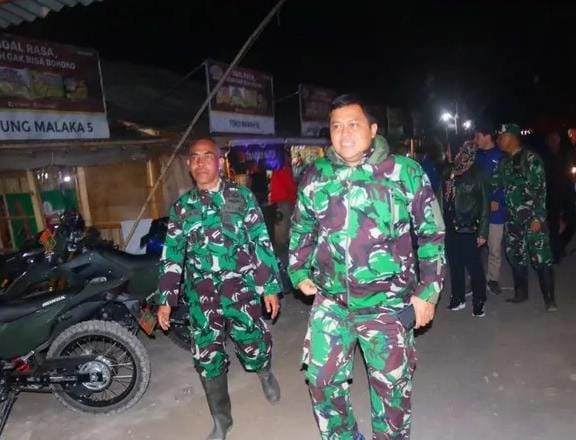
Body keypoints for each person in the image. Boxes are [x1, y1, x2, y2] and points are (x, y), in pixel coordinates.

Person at [288, 94, 446, 440]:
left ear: (373, 129)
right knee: (321, 381)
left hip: (387, 304)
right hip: (332, 302)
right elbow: (302, 227)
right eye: (336, 126)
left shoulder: (404, 172)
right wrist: (298, 270)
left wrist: (428, 291)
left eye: (353, 124)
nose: (344, 133)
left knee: (391, 392)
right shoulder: (316, 175)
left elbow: (432, 234)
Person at [156, 139, 282, 440]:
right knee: (206, 356)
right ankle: (221, 420)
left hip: (241, 289)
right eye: (195, 158)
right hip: (201, 295)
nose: (201, 163)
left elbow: (260, 241)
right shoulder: (182, 208)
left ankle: (264, 372)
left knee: (252, 342)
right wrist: (166, 299)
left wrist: (268, 286)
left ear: (219, 161)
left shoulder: (241, 197)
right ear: (189, 164)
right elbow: (172, 255)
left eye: (207, 157)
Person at [491, 124, 558, 312]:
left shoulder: (530, 158)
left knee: (541, 257)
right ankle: (521, 293)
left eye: (502, 137)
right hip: (513, 218)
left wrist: (538, 217)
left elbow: (540, 189)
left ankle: (550, 300)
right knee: (515, 255)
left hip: (532, 218)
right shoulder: (503, 162)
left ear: (512, 137)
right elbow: (493, 183)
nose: (499, 141)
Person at [442, 141, 490, 317]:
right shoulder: (449, 170)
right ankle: (458, 297)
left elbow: (485, 203)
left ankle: (479, 300)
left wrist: (483, 232)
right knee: (455, 264)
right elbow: (441, 197)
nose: (449, 153)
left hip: (469, 225)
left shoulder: (478, 172)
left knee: (473, 265)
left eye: (451, 150)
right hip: (450, 224)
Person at [474, 123, 506, 294]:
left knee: (494, 248)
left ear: (487, 136)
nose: (475, 140)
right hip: (477, 211)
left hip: (495, 212)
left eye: (477, 136)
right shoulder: (476, 156)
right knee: (475, 248)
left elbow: (506, 183)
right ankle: (476, 278)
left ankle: (492, 279)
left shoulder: (500, 157)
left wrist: (497, 199)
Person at [544, 130, 576, 263]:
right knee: (553, 227)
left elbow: (570, 173)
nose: (555, 141)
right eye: (552, 139)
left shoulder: (564, 154)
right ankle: (555, 253)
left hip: (566, 193)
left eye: (556, 138)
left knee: (573, 222)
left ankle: (559, 245)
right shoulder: (545, 157)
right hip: (551, 195)